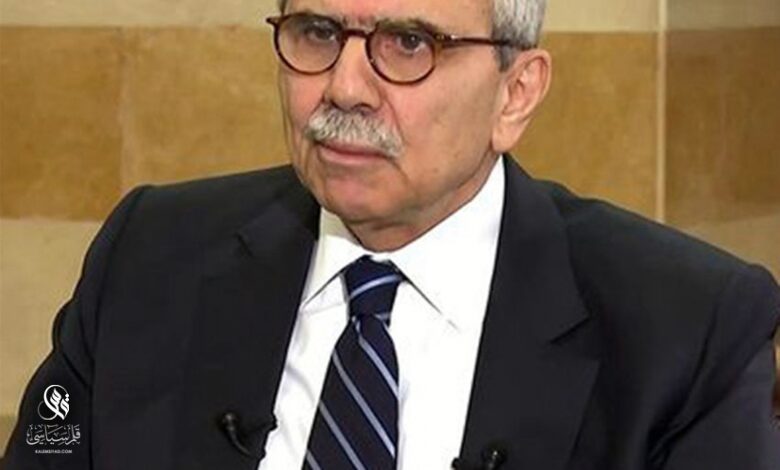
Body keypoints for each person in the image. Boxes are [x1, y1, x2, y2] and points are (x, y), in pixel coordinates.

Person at [4, 0, 779, 468]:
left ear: (516, 93)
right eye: (316, 32)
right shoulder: (147, 257)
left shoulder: (689, 331)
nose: (344, 87)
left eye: (410, 43)